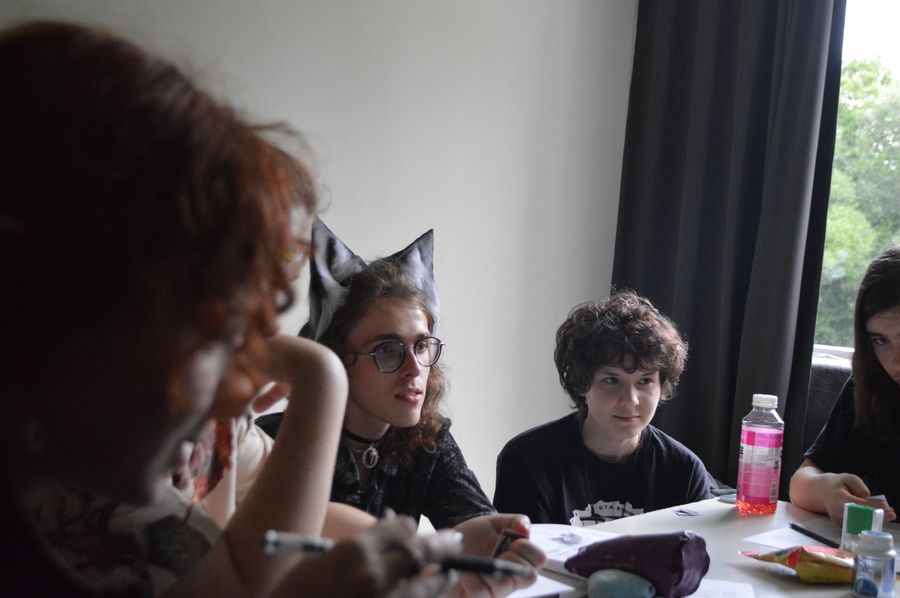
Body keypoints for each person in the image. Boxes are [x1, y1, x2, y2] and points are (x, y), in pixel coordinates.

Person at [0, 20, 467, 597]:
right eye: (219, 330)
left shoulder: (92, 466)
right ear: (66, 301)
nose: (243, 374)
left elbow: (297, 521)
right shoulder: (87, 509)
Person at [258, 221, 545, 595]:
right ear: (336, 358)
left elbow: (473, 522)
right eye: (388, 350)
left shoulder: (427, 438)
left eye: (422, 346)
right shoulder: (275, 441)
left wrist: (479, 538)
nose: (414, 369)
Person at [493, 291, 713, 526]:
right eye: (611, 380)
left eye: (645, 381)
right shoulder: (527, 460)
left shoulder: (684, 470)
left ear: (662, 387)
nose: (630, 400)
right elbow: (520, 547)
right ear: (582, 383)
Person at [789, 246, 900, 524]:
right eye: (881, 340)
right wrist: (825, 490)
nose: (895, 361)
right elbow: (801, 482)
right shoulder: (870, 388)